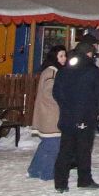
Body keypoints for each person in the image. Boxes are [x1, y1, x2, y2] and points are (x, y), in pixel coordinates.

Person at [53, 41, 99, 192]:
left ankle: (60, 183)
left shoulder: (64, 71)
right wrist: (94, 110)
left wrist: (66, 106)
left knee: (65, 149)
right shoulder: (93, 71)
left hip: (67, 116)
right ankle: (84, 180)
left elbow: (56, 93)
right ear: (89, 53)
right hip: (85, 116)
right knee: (84, 150)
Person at [28, 45, 67, 179]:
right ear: (54, 57)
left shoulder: (50, 71)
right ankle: (47, 173)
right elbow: (50, 93)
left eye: (64, 56)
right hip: (51, 115)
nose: (64, 59)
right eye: (61, 56)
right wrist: (64, 100)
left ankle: (34, 170)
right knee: (53, 145)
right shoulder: (52, 72)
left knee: (46, 144)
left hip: (47, 114)